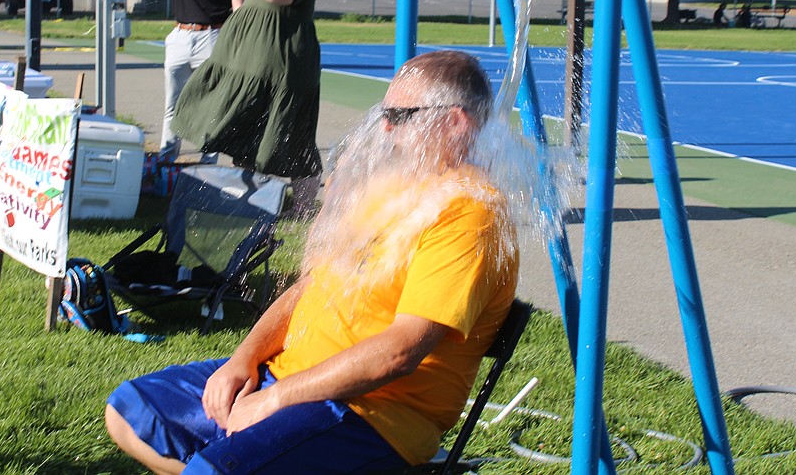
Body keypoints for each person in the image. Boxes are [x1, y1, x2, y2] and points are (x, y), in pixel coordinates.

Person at [104, 50, 520, 474]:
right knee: (128, 411)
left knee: (212, 470)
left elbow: (398, 353)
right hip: (290, 377)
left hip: (372, 415)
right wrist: (243, 359)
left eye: (402, 114)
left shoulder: (471, 214)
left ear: (454, 122)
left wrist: (274, 400)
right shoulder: (395, 190)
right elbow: (310, 288)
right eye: (385, 112)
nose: (386, 125)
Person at [170, 0, 322, 215]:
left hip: (285, 68)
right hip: (247, 66)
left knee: (295, 137)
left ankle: (304, 207)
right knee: (245, 130)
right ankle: (250, 197)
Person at [133, 0, 240, 162]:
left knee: (211, 104)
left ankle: (208, 164)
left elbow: (239, 5)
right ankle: (167, 159)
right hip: (180, 36)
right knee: (174, 104)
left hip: (213, 38)